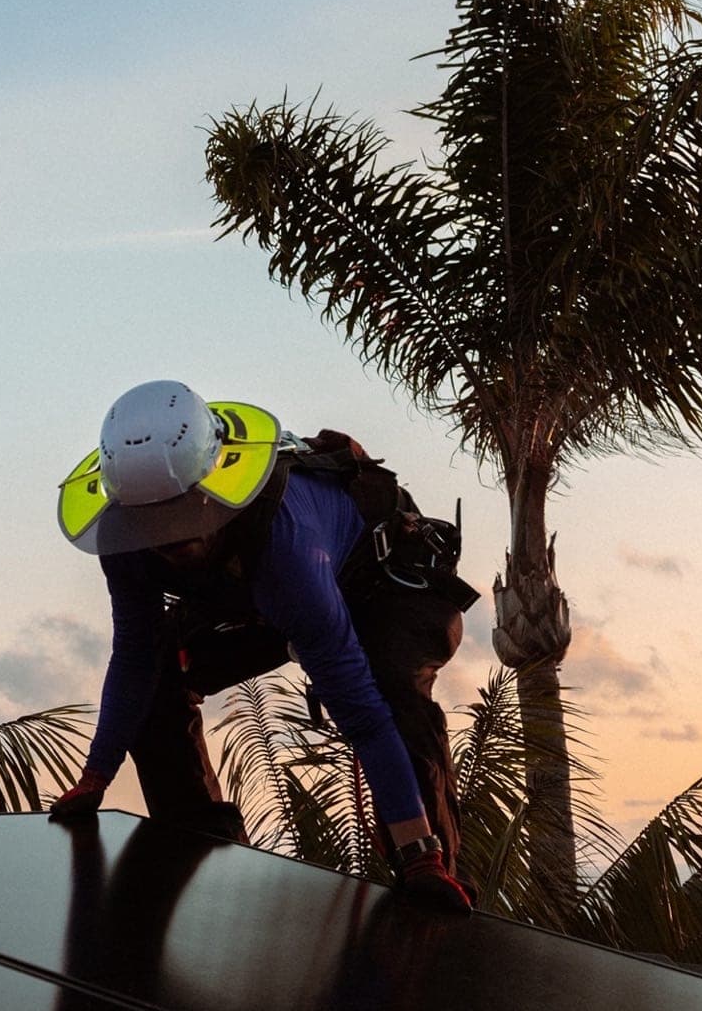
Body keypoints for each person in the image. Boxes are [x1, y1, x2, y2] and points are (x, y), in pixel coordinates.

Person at [45, 380, 480, 913]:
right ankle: (201, 844)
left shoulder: (287, 551)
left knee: (387, 688)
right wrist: (95, 778)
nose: (169, 542)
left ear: (214, 492)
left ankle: (428, 869)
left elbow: (361, 714)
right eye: (152, 528)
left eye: (183, 523)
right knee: (159, 674)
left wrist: (420, 857)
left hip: (380, 584)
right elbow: (135, 653)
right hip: (248, 594)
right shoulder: (129, 537)